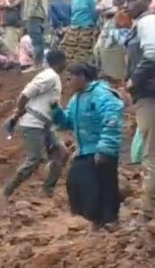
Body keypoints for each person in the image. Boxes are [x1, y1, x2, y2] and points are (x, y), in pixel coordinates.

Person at [52, 63, 124, 229]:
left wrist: (105, 148)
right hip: (85, 150)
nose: (68, 82)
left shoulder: (101, 94)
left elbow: (112, 119)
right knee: (77, 183)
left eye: (71, 78)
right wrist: (55, 110)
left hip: (101, 148)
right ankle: (96, 220)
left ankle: (111, 220)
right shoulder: (76, 99)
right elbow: (67, 122)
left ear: (82, 77)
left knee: (105, 186)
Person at [119, 0, 155, 224]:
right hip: (150, 94)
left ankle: (147, 213)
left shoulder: (147, 22)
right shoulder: (142, 23)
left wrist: (136, 78)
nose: (126, 5)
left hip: (152, 94)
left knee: (153, 154)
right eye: (123, 1)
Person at [3, 49, 67, 202]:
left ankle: (48, 189)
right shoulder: (49, 76)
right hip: (34, 123)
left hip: (45, 123)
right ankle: (7, 190)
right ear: (61, 62)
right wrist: (17, 112)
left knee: (61, 153)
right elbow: (25, 94)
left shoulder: (52, 76)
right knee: (35, 158)